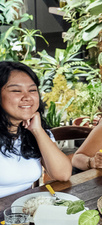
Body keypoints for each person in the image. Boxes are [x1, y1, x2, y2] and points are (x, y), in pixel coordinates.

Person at [0, 61, 71, 198]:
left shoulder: (36, 130)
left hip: (23, 211)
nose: (27, 97)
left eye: (32, 90)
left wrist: (37, 131)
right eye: (16, 90)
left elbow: (62, 174)